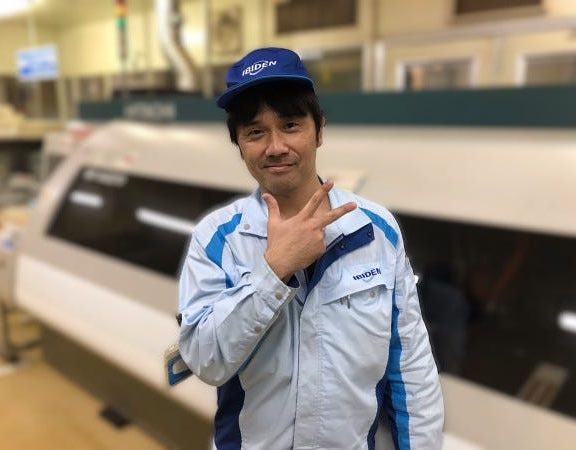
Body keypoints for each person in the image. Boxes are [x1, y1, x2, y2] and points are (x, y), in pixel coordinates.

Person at [178, 47, 444, 450]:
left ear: (319, 131)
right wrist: (273, 270)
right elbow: (204, 359)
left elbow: (410, 367)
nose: (275, 146)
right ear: (239, 144)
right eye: (255, 132)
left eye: (290, 125)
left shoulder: (376, 230)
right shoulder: (216, 239)